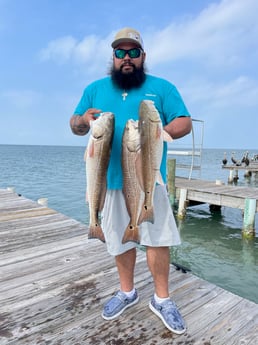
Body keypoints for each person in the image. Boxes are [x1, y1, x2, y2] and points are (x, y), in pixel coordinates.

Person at [70, 27, 192, 335]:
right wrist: (84, 121)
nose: (127, 58)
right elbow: (74, 124)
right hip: (108, 181)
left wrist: (162, 131)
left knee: (158, 239)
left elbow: (184, 121)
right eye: (121, 53)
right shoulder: (94, 88)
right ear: (112, 57)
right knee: (119, 240)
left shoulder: (162, 88)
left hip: (151, 180)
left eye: (133, 52)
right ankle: (127, 291)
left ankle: (161, 299)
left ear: (143, 56)